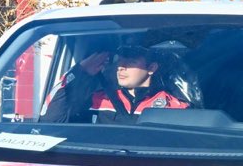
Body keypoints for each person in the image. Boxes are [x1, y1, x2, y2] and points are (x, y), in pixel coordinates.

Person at [44, 45, 192, 122]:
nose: (121, 67)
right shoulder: (97, 100)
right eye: (120, 61)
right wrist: (80, 71)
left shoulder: (173, 107)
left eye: (131, 62)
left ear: (151, 68)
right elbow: (51, 122)